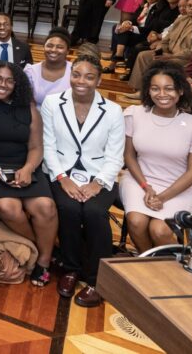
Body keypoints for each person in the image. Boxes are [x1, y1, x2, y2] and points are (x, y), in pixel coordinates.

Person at [42, 54, 125, 308]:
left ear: (99, 79)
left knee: (92, 211)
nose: (81, 81)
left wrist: (97, 183)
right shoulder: (52, 102)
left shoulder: (113, 110)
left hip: (99, 174)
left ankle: (96, 279)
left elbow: (115, 156)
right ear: (70, 76)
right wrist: (62, 178)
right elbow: (48, 145)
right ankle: (70, 269)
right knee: (67, 208)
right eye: (76, 74)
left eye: (89, 76)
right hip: (61, 171)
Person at [0, 61, 57, 286]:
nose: (3, 84)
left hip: (25, 166)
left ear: (17, 84)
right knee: (8, 207)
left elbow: (37, 147)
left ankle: (44, 262)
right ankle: (40, 247)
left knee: (46, 207)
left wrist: (28, 168)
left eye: (10, 80)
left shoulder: (28, 109)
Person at [121, 62, 192, 253]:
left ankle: (169, 266)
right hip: (139, 180)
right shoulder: (134, 114)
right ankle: (148, 264)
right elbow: (129, 156)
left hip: (179, 185)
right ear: (148, 91)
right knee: (136, 222)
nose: (162, 94)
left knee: (159, 230)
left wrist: (162, 196)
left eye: (169, 88)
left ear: (180, 91)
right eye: (155, 88)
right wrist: (146, 187)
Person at [125, 0, 192, 98]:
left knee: (161, 62)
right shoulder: (182, 19)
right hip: (169, 52)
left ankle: (151, 92)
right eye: (189, 6)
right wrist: (160, 50)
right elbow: (167, 38)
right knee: (144, 55)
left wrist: (171, 56)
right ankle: (141, 90)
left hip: (186, 59)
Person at [105, 0, 167, 74]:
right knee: (119, 28)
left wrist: (131, 28)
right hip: (136, 32)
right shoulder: (143, 6)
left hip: (147, 35)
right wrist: (128, 22)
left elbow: (151, 27)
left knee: (124, 32)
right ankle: (119, 55)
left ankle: (115, 60)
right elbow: (134, 19)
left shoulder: (160, 9)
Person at [24, 28, 73, 105]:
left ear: (67, 51)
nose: (53, 50)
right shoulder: (31, 71)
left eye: (60, 47)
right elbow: (29, 103)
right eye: (49, 46)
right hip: (38, 115)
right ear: (44, 47)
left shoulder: (75, 71)